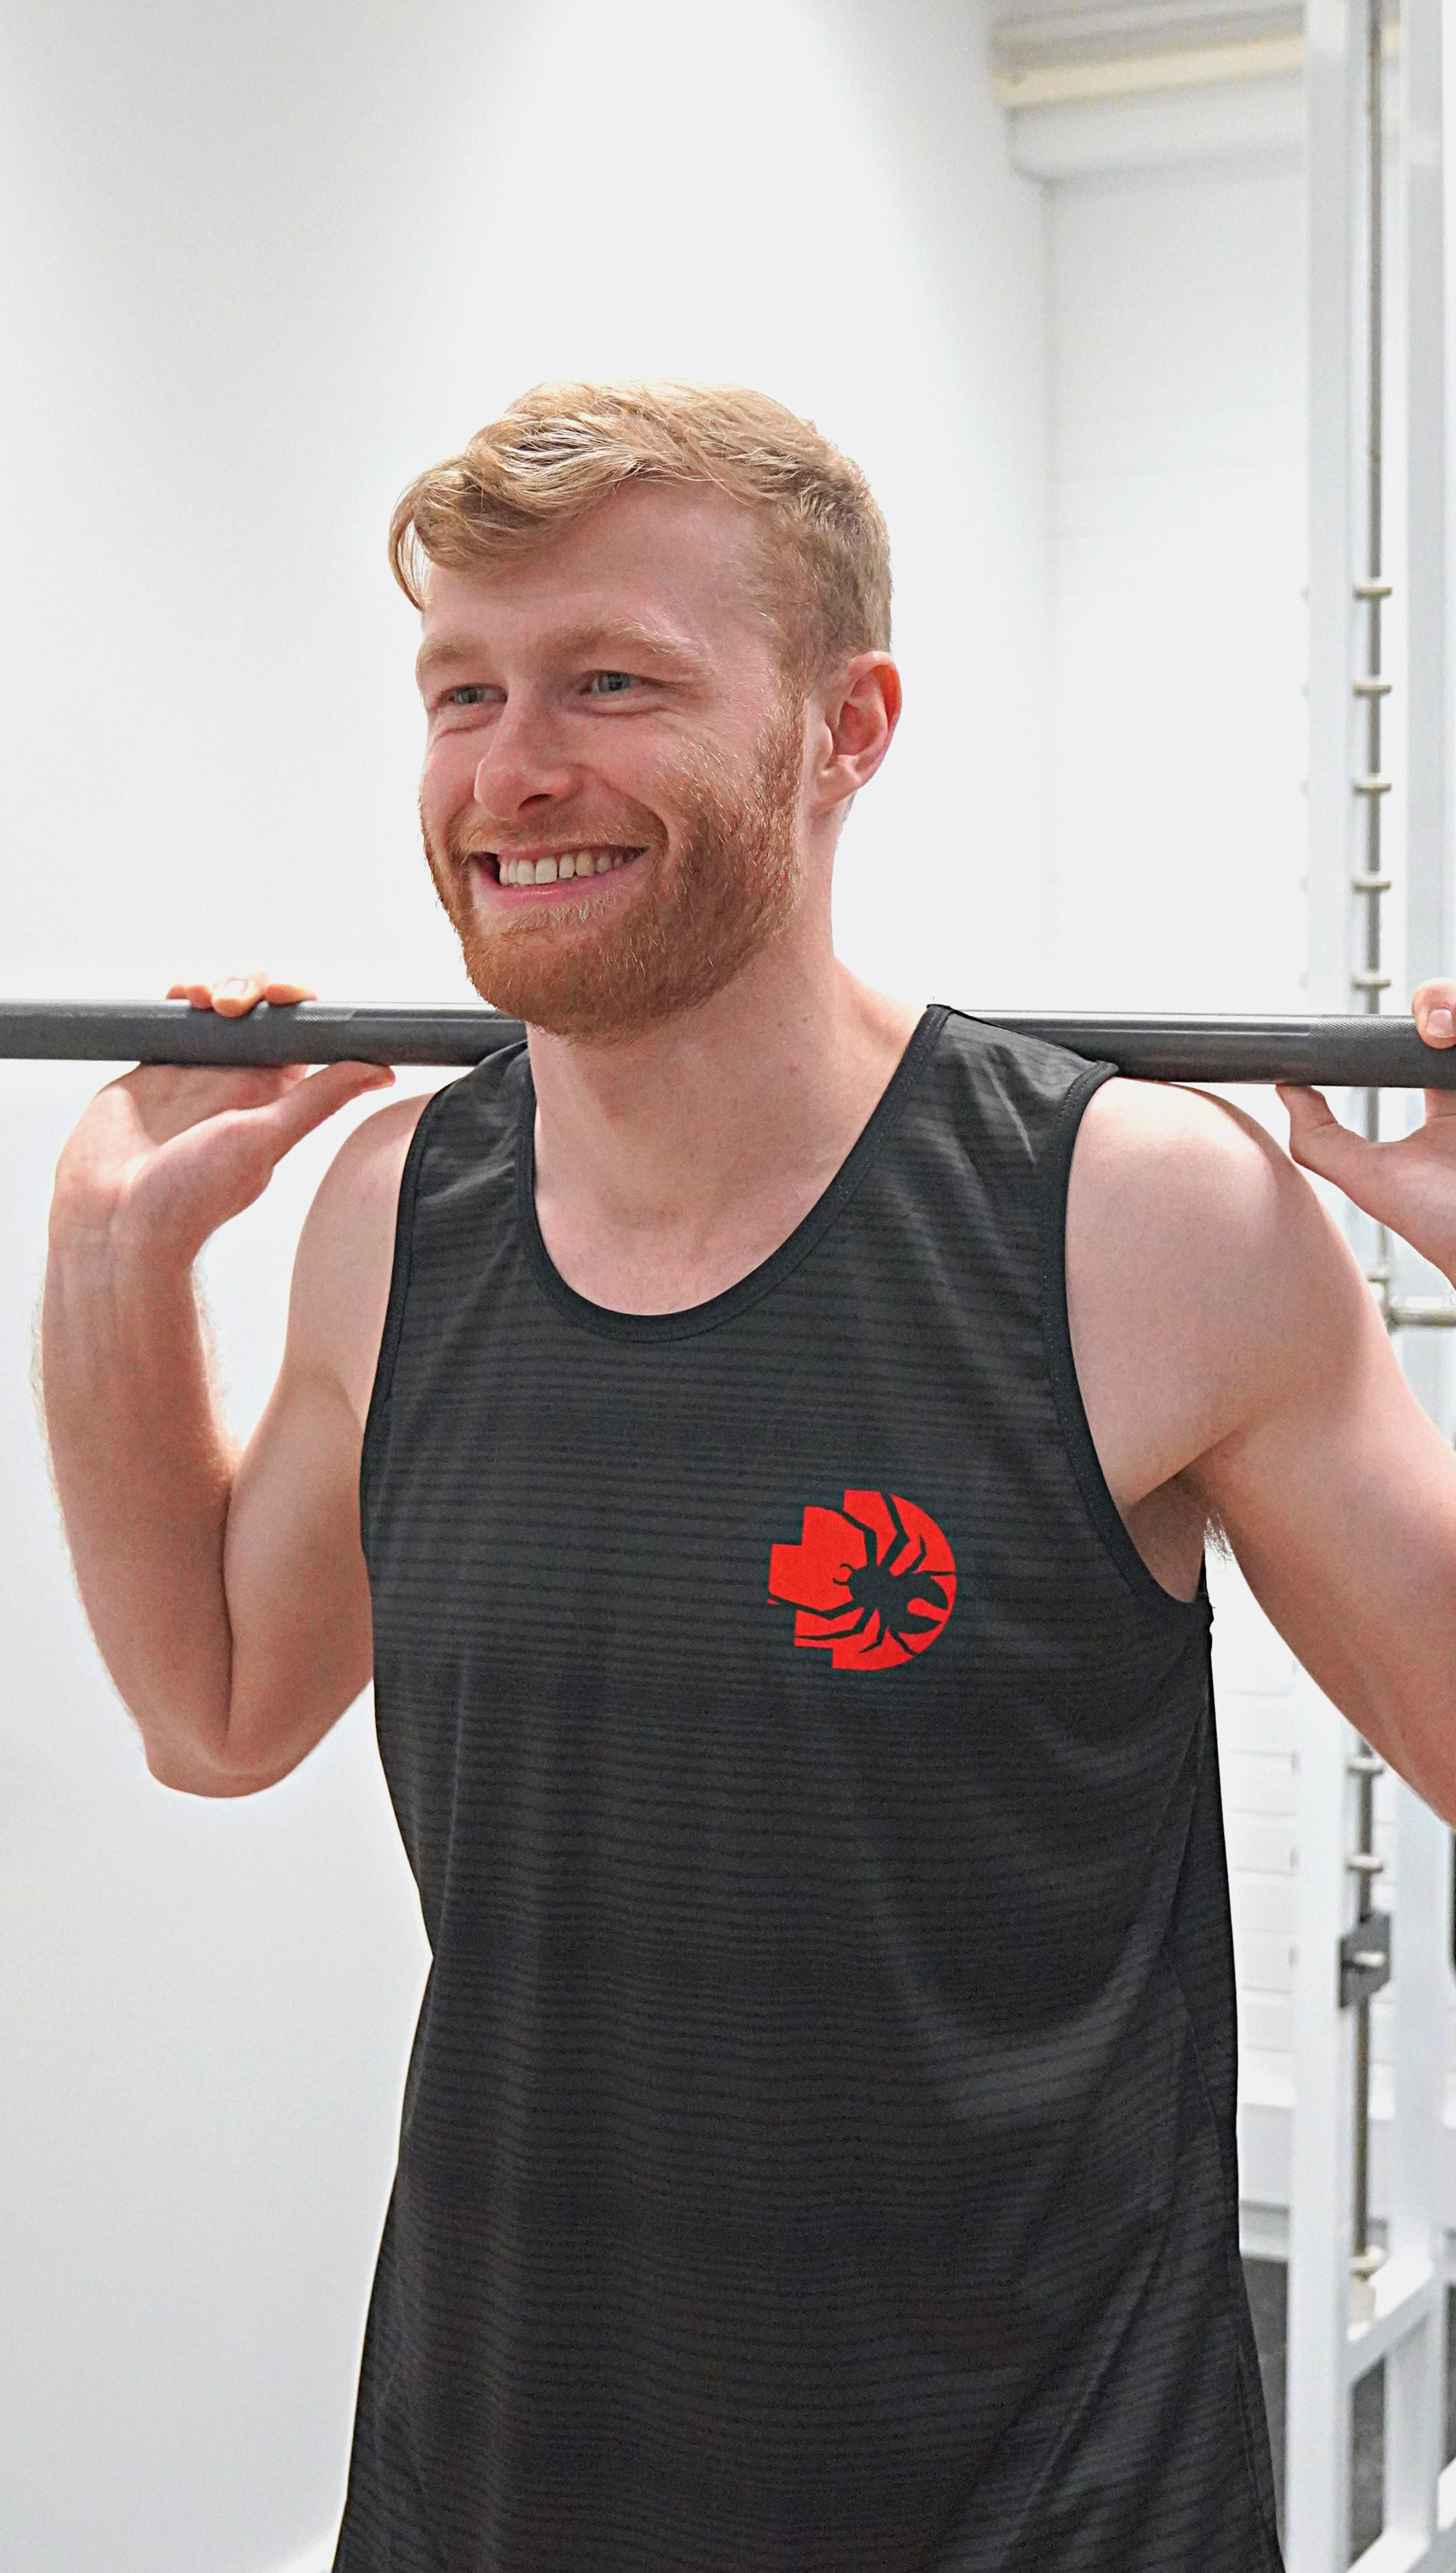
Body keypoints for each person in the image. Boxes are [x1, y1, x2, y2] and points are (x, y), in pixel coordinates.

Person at [39, 380, 1456, 2573]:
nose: (514, 771)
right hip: (492, 2481)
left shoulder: (1134, 1221)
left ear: (847, 727)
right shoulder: (396, 1216)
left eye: (612, 683)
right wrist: (113, 1250)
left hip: (1040, 2513)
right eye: (464, 694)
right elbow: (216, 1707)